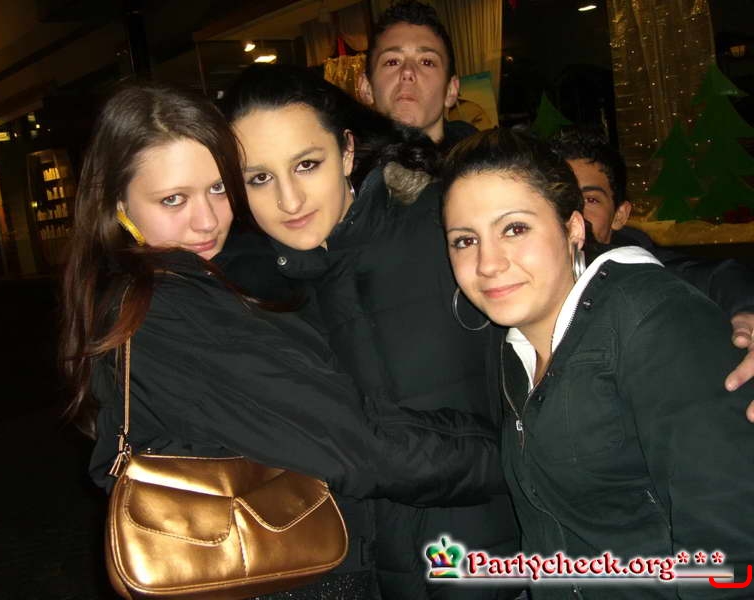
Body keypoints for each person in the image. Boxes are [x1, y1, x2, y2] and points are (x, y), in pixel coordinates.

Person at [59, 82, 508, 600]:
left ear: (347, 152)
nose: (206, 221)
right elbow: (356, 447)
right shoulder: (165, 309)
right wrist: (514, 457)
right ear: (119, 203)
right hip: (283, 577)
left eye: (219, 189)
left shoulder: (233, 276)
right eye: (173, 199)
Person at [223, 64, 519, 600]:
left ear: (347, 152)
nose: (289, 200)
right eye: (259, 178)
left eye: (307, 164)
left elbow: (570, 272)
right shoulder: (265, 295)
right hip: (375, 574)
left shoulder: (440, 223)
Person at [442, 128, 754, 599]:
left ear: (573, 228)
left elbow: (730, 553)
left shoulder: (652, 322)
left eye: (515, 228)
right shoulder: (515, 349)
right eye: (465, 240)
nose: (487, 263)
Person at [550, 128, 754, 407]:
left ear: (619, 215)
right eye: (560, 198)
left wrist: (747, 311)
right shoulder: (512, 284)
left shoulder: (642, 273)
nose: (573, 216)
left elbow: (718, 276)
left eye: (590, 200)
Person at [356, 0, 476, 151]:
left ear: (451, 90)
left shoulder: (489, 162)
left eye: (427, 62)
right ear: (366, 87)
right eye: (392, 62)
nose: (407, 71)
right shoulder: (339, 163)